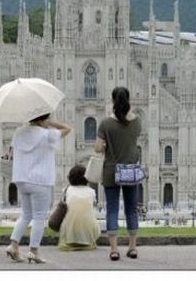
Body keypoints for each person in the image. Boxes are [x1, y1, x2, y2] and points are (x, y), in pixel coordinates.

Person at [5, 112, 72, 263]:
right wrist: (50, 123)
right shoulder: (47, 134)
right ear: (44, 118)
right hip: (40, 180)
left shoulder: (19, 133)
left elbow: (12, 154)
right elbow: (68, 128)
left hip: (22, 179)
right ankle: (33, 251)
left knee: (26, 215)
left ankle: (13, 245)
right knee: (39, 217)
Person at [95, 86, 142, 261]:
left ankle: (114, 250)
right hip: (130, 171)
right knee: (132, 210)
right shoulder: (136, 121)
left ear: (113, 101)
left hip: (111, 172)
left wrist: (108, 145)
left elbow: (98, 148)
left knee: (112, 211)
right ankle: (132, 247)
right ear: (129, 101)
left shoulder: (106, 123)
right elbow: (133, 140)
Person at [58, 164, 100, 251]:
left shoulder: (66, 190)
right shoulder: (91, 191)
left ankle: (69, 240)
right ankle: (89, 241)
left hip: (69, 230)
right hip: (90, 229)